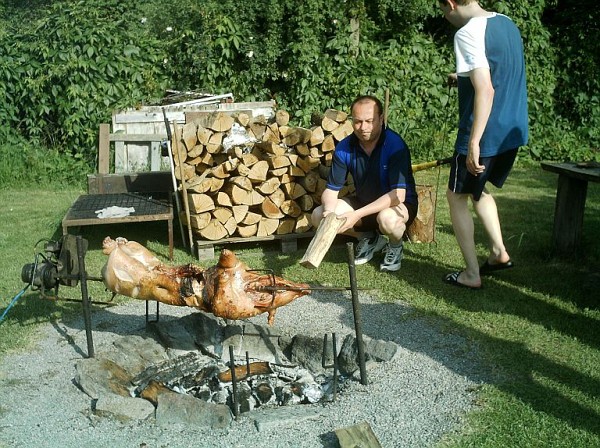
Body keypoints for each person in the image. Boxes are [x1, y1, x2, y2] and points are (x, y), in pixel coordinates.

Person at [437, 0, 528, 289]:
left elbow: (486, 89)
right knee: (478, 190)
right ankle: (499, 252)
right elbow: (497, 71)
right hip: (511, 129)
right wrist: (460, 77)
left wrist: (474, 141)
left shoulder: (466, 32)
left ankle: (471, 274)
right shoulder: (506, 23)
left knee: (456, 196)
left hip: (484, 131)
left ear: (450, 3)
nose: (444, 15)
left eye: (441, 9)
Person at [310, 95, 418, 272]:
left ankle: (395, 246)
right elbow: (331, 190)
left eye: (369, 121)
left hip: (399, 205)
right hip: (364, 202)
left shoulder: (395, 145)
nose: (363, 127)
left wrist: (356, 214)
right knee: (317, 215)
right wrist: (329, 213)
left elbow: (398, 195)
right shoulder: (344, 147)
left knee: (387, 219)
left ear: (381, 119)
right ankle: (368, 238)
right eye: (358, 122)